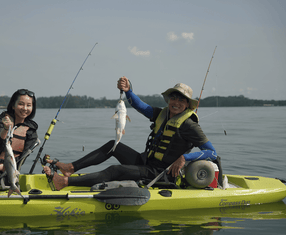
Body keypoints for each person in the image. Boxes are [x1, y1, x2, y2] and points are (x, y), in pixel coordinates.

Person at [43, 76, 217, 190]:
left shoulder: (190, 125)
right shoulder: (161, 114)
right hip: (146, 162)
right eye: (174, 97)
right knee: (114, 145)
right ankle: (70, 168)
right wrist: (128, 91)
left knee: (116, 170)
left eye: (181, 99)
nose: (176, 102)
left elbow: (212, 153)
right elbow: (140, 106)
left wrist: (185, 158)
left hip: (159, 173)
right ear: (169, 99)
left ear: (187, 105)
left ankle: (65, 182)